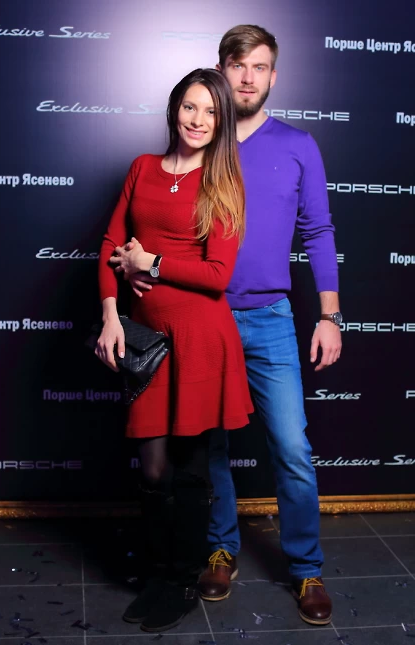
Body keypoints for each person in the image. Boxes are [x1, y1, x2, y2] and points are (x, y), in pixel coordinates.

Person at [117, 25, 342, 626]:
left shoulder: (298, 146)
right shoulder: (199, 141)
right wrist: (133, 270)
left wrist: (329, 314)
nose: (247, 77)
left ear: (273, 76)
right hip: (197, 319)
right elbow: (147, 221)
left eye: (259, 66)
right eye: (237, 65)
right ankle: (219, 550)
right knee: (205, 448)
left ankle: (306, 567)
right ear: (220, 70)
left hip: (267, 317)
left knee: (291, 446)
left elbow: (318, 231)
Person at [96, 68, 253, 634]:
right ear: (174, 109)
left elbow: (218, 275)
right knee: (153, 467)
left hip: (200, 340)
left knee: (188, 468)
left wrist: (151, 264)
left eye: (211, 111)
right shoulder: (142, 168)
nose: (198, 120)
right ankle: (160, 575)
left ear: (222, 121)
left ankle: (184, 580)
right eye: (190, 106)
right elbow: (110, 243)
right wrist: (111, 314)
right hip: (147, 340)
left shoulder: (223, 183)